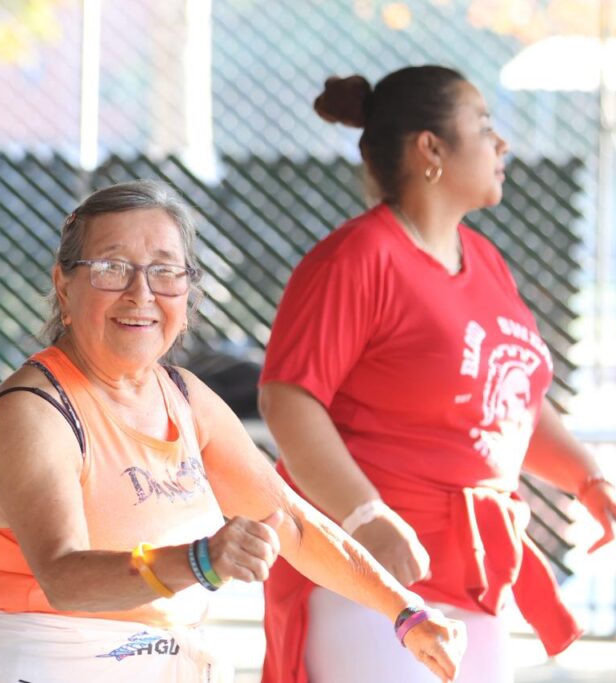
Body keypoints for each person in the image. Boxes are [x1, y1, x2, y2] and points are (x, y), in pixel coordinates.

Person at [0, 179, 466, 683]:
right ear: (64, 287)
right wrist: (201, 561)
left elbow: (289, 521)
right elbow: (64, 578)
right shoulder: (34, 412)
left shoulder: (184, 395)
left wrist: (407, 614)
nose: (141, 293)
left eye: (165, 272)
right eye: (112, 269)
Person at [258, 66, 616, 683]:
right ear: (431, 147)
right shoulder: (357, 258)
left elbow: (512, 400)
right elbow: (288, 398)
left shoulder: (484, 259)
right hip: (371, 578)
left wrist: (588, 481)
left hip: (475, 577)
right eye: (484, 126)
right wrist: (367, 518)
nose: (502, 144)